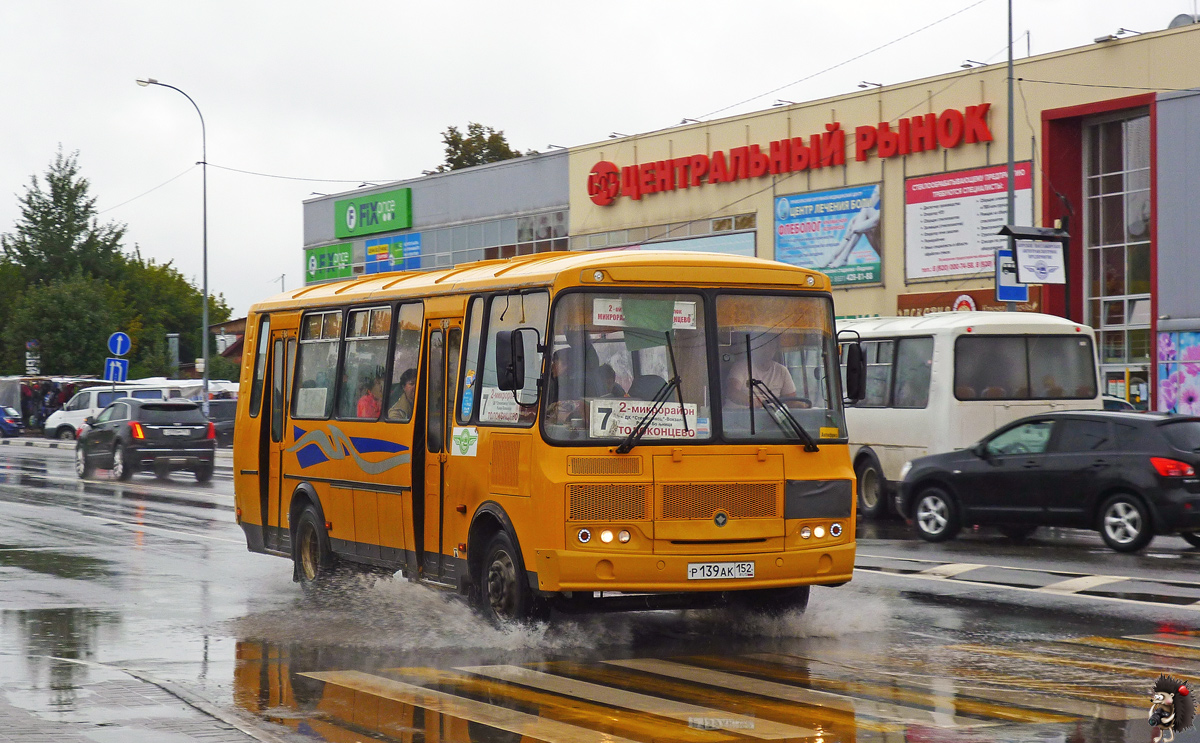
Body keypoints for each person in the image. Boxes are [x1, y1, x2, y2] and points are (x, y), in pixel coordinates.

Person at [725, 336, 797, 407]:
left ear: (775, 349)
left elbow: (791, 401)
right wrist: (749, 401)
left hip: (771, 417)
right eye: (763, 346)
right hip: (742, 415)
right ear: (755, 347)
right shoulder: (740, 367)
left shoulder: (782, 371)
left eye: (771, 346)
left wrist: (802, 406)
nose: (767, 350)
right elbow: (732, 392)